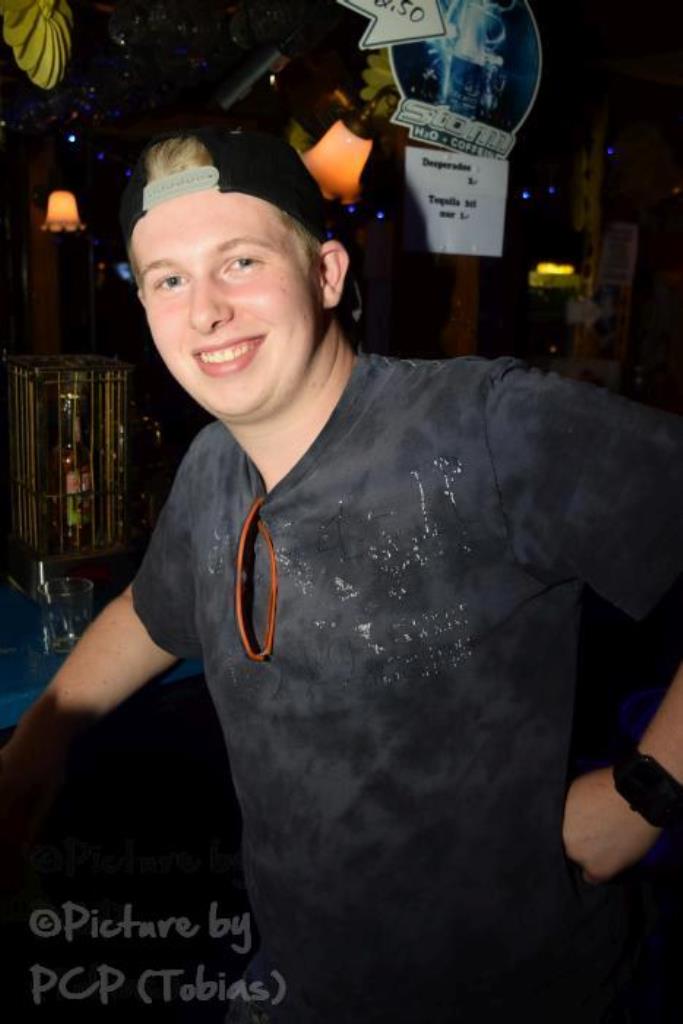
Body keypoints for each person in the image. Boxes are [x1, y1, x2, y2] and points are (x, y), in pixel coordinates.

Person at [2, 125, 683, 1024]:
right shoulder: (212, 466)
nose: (204, 311)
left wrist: (644, 794)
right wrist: (34, 748)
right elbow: (149, 613)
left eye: (240, 262)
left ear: (325, 274)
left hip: (513, 991)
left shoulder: (483, 428)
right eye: (168, 279)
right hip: (302, 975)